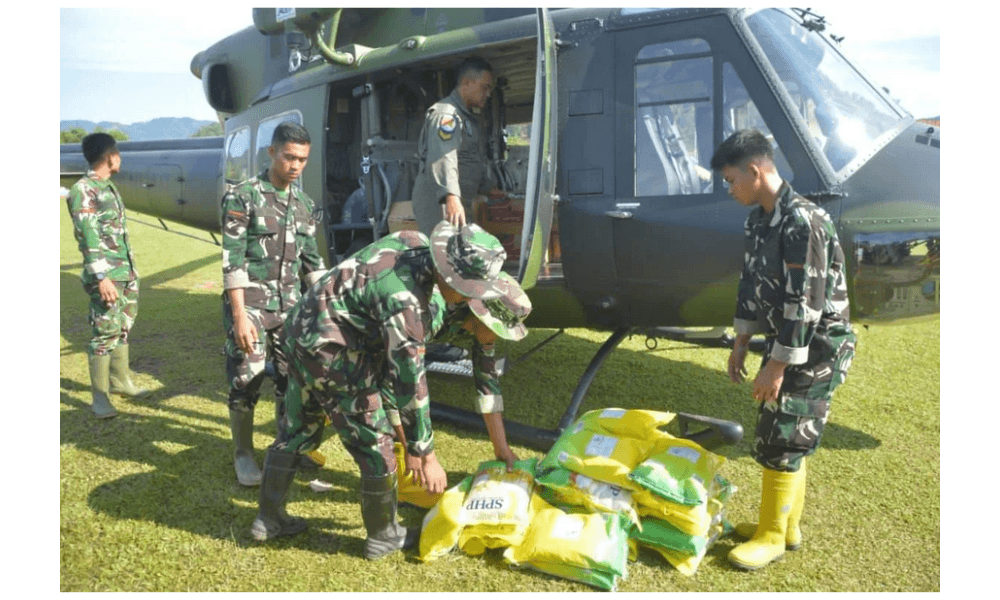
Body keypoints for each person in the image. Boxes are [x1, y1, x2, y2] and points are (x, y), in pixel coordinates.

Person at [249, 222, 531, 560]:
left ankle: (268, 519)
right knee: (375, 444)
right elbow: (404, 383)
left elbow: (486, 380)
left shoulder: (415, 244)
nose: (494, 341)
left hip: (301, 332)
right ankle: (383, 535)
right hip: (333, 348)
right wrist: (423, 453)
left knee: (298, 428)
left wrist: (503, 451)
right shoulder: (411, 306)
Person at [710, 129, 857, 571]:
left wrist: (774, 366)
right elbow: (751, 285)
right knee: (792, 432)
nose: (729, 189)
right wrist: (740, 343)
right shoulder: (760, 219)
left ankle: (772, 534)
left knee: (783, 434)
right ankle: (784, 525)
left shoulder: (802, 222)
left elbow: (805, 304)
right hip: (786, 343)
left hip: (815, 347)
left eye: (732, 179)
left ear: (756, 171)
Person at [221, 121, 327, 487]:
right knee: (246, 379)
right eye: (288, 157)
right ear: (271, 153)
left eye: (302, 159)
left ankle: (285, 448)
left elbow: (312, 262)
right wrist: (239, 317)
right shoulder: (243, 196)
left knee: (291, 380)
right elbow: (231, 261)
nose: (295, 166)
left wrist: (323, 311)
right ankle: (243, 453)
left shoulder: (304, 204)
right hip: (250, 305)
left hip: (290, 308)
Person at [67, 132, 150, 419]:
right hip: (106, 275)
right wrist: (101, 277)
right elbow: (87, 236)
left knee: (122, 326)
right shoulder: (84, 189)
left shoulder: (108, 187)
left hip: (124, 271)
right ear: (110, 157)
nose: (120, 159)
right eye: (118, 154)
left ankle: (121, 381)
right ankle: (100, 399)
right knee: (104, 332)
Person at [411, 56, 506, 236]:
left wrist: (490, 189)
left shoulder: (467, 118)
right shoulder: (447, 114)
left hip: (457, 201)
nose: (488, 94)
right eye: (484, 87)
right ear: (467, 83)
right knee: (446, 258)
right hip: (440, 202)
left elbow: (470, 160)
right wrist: (451, 196)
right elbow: (443, 156)